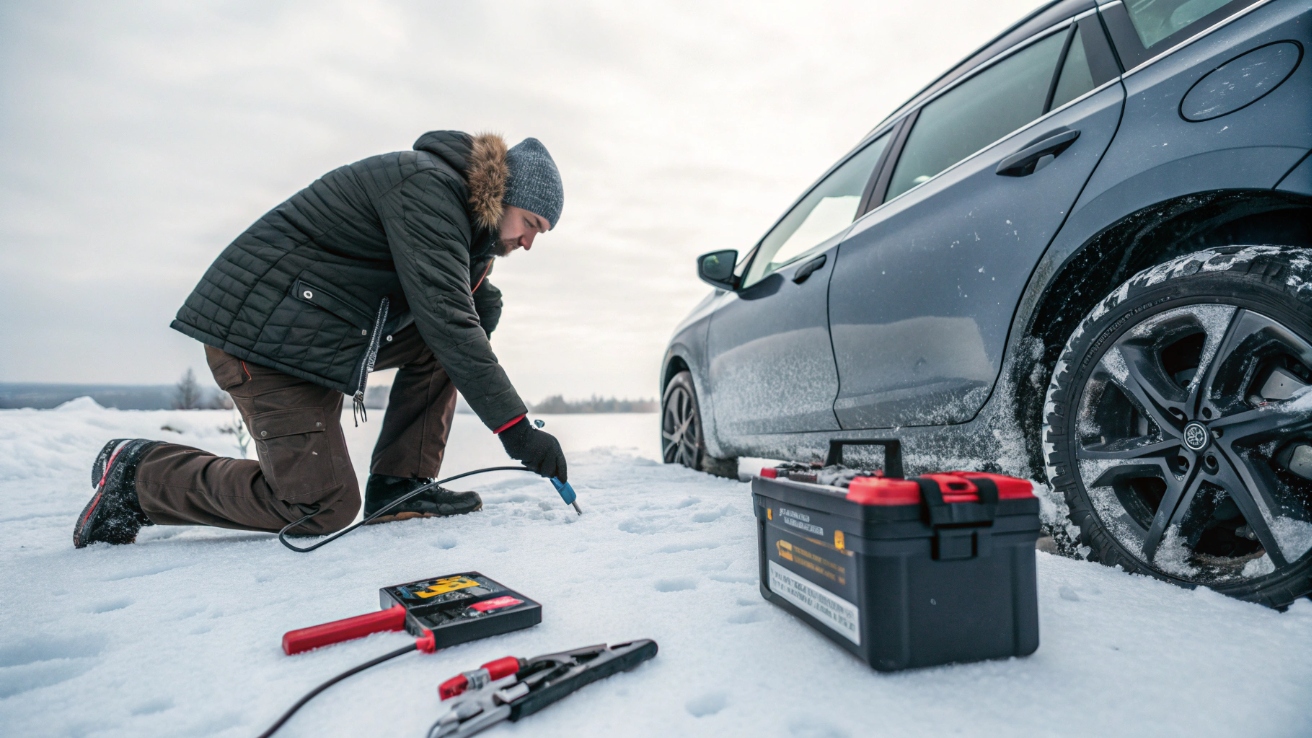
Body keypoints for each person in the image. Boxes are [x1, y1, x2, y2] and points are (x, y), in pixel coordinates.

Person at [74, 132, 568, 548]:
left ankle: (401, 485)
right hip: (261, 339)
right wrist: (517, 429)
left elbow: (460, 312)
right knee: (318, 506)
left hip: (315, 338)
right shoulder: (428, 188)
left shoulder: (465, 234)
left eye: (539, 233)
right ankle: (139, 476)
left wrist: (482, 311)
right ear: (501, 194)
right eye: (530, 224)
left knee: (464, 330)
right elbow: (447, 318)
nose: (529, 242)